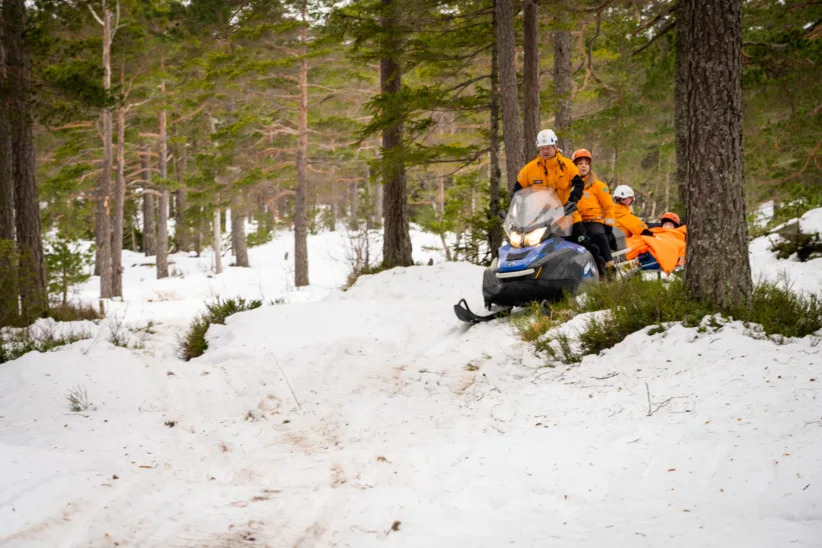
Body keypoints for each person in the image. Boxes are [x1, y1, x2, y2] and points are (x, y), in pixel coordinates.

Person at [513, 129, 606, 273]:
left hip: (568, 217)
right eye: (542, 148)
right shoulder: (529, 169)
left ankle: (602, 276)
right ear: (539, 148)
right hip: (541, 220)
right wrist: (516, 209)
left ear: (555, 147)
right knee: (530, 248)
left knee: (585, 245)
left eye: (548, 148)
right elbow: (517, 190)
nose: (545, 151)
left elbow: (578, 184)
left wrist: (573, 200)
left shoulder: (567, 165)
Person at [571, 149, 615, 268]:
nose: (583, 166)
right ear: (574, 166)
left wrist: (608, 227)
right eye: (580, 163)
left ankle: (609, 266)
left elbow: (609, 206)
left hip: (593, 220)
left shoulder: (598, 186)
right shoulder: (569, 185)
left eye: (586, 163)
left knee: (599, 236)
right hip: (575, 222)